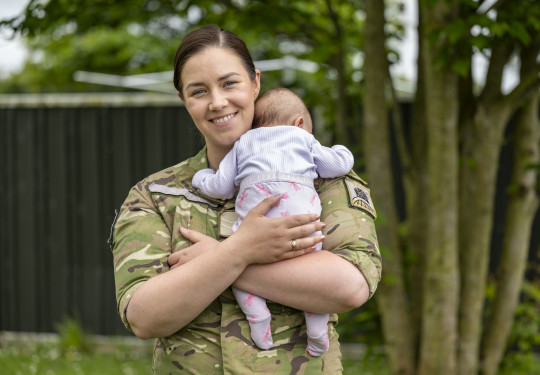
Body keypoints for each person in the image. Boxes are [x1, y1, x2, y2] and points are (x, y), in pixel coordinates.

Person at [109, 25, 381, 374]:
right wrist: (238, 251)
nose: (218, 101)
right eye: (198, 91)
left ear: (255, 82)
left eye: (229, 83)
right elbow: (143, 317)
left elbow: (350, 286)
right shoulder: (157, 195)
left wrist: (218, 259)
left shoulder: (322, 178)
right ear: (184, 101)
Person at [191, 87, 355, 356]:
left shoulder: (242, 143)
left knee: (237, 262)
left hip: (254, 233)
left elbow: (220, 187)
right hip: (302, 227)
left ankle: (258, 319)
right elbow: (337, 166)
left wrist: (201, 178)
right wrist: (340, 150)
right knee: (312, 278)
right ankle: (316, 331)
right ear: (300, 122)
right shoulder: (302, 138)